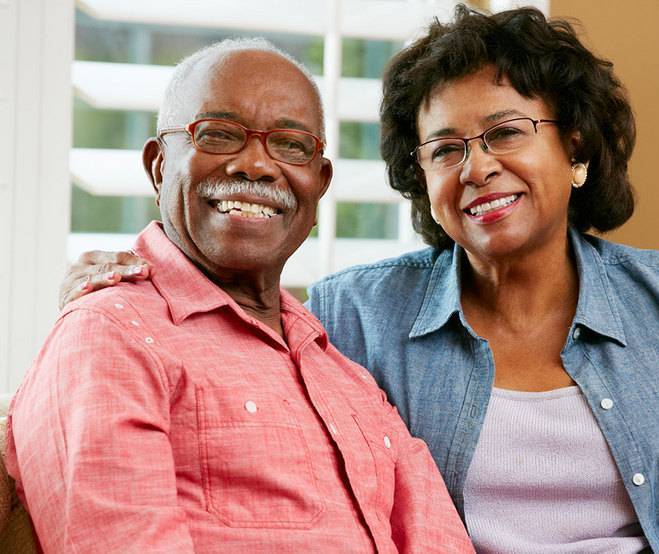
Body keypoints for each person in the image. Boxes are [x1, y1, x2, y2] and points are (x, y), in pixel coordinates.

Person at [57, 6, 659, 553]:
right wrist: (115, 288)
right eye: (447, 149)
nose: (479, 168)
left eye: (507, 133)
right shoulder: (353, 317)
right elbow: (226, 343)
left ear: (575, 149)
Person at [5, 38, 473, 553]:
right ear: (159, 167)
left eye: (291, 144)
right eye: (219, 135)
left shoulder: (343, 370)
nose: (254, 165)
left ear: (318, 184)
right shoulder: (111, 335)